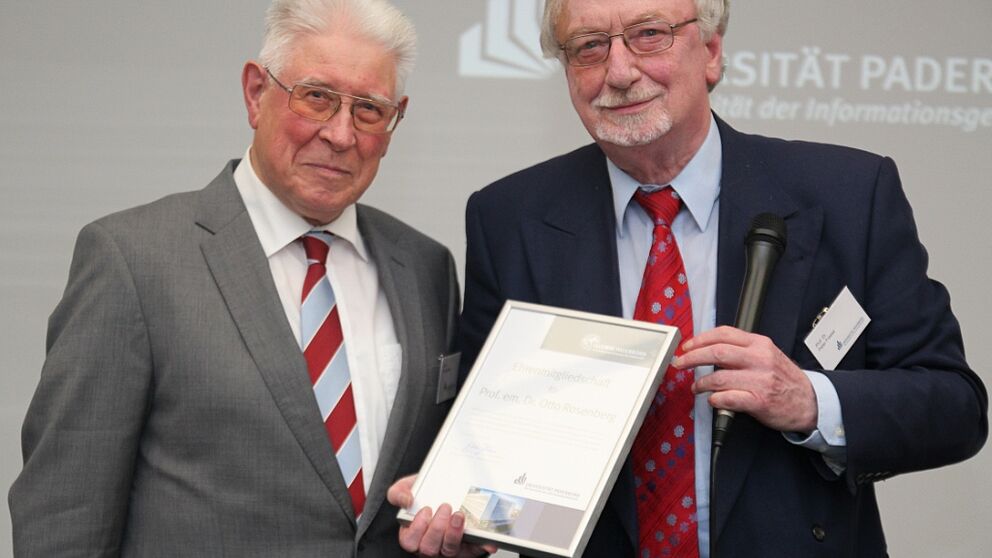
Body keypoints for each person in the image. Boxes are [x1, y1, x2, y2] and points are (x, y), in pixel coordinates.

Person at [389, 0, 988, 556]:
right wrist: (463, 508)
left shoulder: (849, 193)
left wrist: (809, 400)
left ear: (712, 51)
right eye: (589, 47)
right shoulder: (509, 217)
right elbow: (490, 431)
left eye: (649, 34)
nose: (619, 71)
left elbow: (955, 408)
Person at [8, 0, 460, 556]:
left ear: (394, 120)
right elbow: (65, 514)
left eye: (368, 109)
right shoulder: (133, 259)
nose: (341, 134)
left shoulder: (424, 268)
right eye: (317, 97)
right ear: (255, 92)